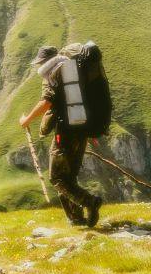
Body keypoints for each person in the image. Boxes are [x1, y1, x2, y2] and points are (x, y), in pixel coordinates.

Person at [19, 45, 103, 228]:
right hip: (82, 129)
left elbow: (46, 101)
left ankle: (90, 202)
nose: (39, 66)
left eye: (39, 63)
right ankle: (76, 219)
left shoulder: (53, 72)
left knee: (57, 178)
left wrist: (27, 120)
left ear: (45, 61)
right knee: (69, 177)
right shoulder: (74, 70)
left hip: (65, 132)